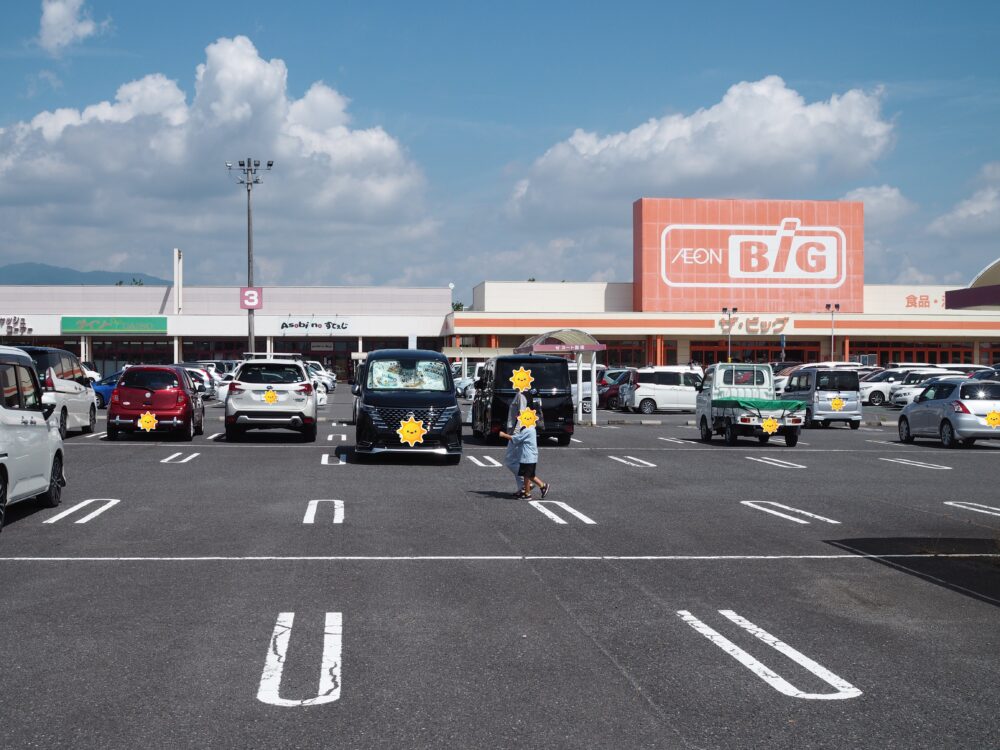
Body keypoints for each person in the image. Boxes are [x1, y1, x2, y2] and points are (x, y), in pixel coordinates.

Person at [500, 421, 550, 499]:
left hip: (528, 457)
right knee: (529, 475)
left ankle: (531, 492)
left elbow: (516, 439)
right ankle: (533, 489)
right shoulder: (531, 429)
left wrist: (503, 435)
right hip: (529, 457)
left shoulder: (527, 430)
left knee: (527, 476)